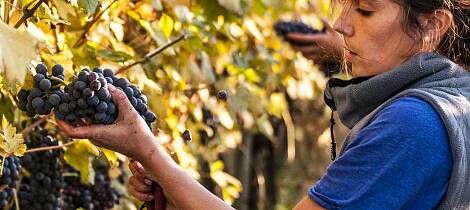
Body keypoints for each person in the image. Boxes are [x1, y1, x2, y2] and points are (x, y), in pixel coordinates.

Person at [57, 0, 470, 209]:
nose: (341, 25)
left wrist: (149, 152)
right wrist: (166, 176)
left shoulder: (411, 126)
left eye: (364, 10)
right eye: (343, 4)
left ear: (433, 25)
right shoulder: (455, 96)